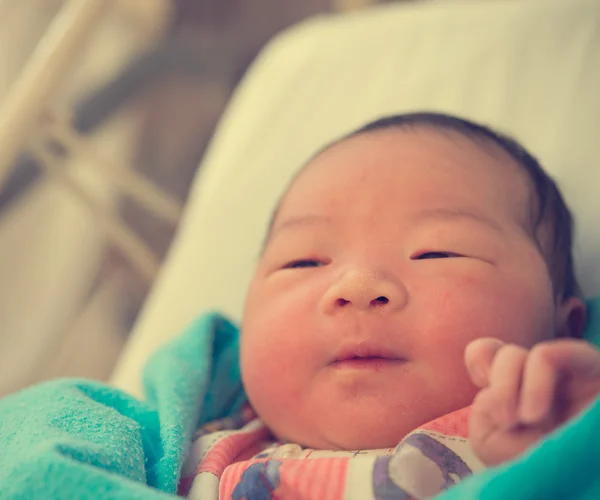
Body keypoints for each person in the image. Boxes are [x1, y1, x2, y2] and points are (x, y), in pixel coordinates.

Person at [181, 113, 600, 499]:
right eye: (303, 261)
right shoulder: (178, 451)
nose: (357, 286)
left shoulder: (545, 453)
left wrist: (560, 458)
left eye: (438, 253)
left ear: (562, 329)